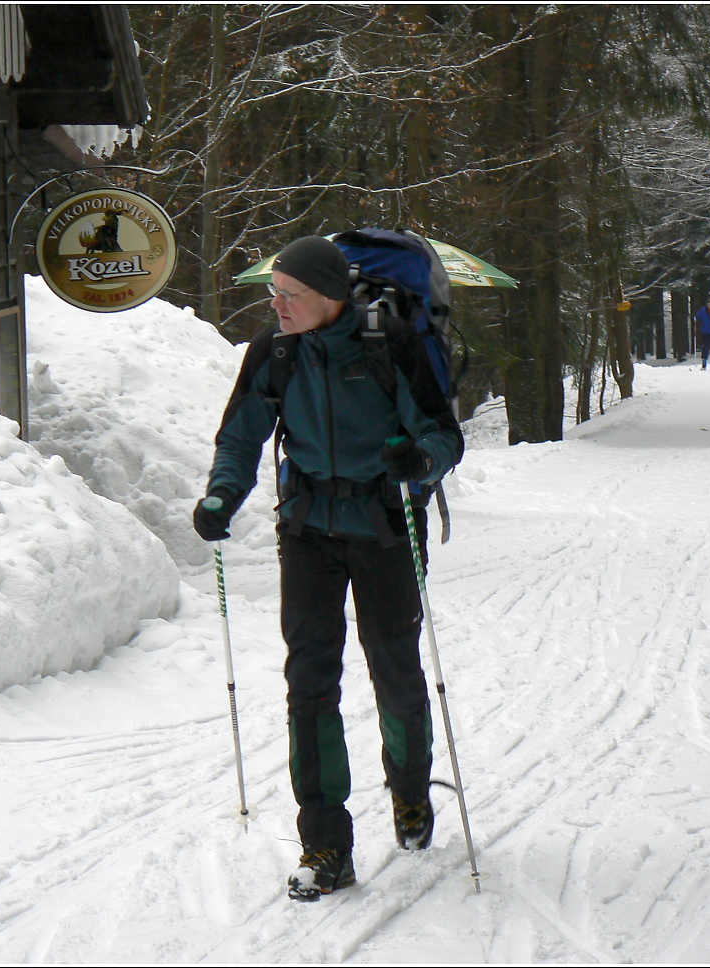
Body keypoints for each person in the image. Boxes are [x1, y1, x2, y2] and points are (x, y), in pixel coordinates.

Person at [193, 235, 464, 901]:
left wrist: (418, 461)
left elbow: (441, 434)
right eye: (273, 293)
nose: (276, 305)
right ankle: (325, 843)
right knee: (309, 684)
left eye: (290, 295)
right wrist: (223, 491)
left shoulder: (388, 343)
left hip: (385, 526)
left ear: (330, 298)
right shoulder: (274, 353)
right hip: (309, 528)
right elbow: (240, 434)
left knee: (395, 670)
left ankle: (409, 791)